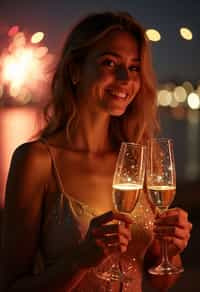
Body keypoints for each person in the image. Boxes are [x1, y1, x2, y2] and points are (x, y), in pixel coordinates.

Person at [1, 12, 192, 292]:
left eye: (134, 67)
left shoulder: (141, 159)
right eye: (110, 63)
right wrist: (81, 259)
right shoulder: (37, 160)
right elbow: (12, 287)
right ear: (76, 70)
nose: (125, 78)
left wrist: (171, 251)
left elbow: (161, 282)